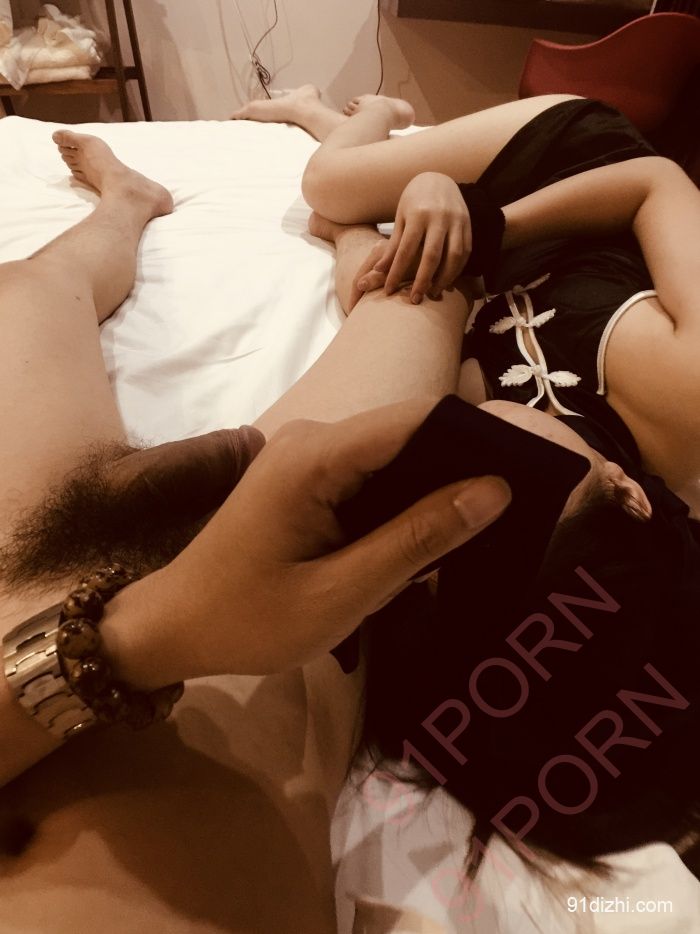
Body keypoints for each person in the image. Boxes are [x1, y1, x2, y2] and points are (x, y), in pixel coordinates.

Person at [0, 130, 512, 932]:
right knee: (422, 300)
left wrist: (125, 640)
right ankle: (329, 215)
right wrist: (135, 639)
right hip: (222, 668)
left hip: (33, 583)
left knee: (25, 290)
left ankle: (126, 206)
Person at [233, 89, 700, 883]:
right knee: (326, 180)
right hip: (575, 166)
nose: (471, 478)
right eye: (518, 498)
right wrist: (484, 221)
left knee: (337, 203)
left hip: (473, 220)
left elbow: (377, 291)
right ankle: (351, 111)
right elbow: (653, 182)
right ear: (627, 491)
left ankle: (360, 135)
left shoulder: (460, 416)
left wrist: (363, 235)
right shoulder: (685, 397)